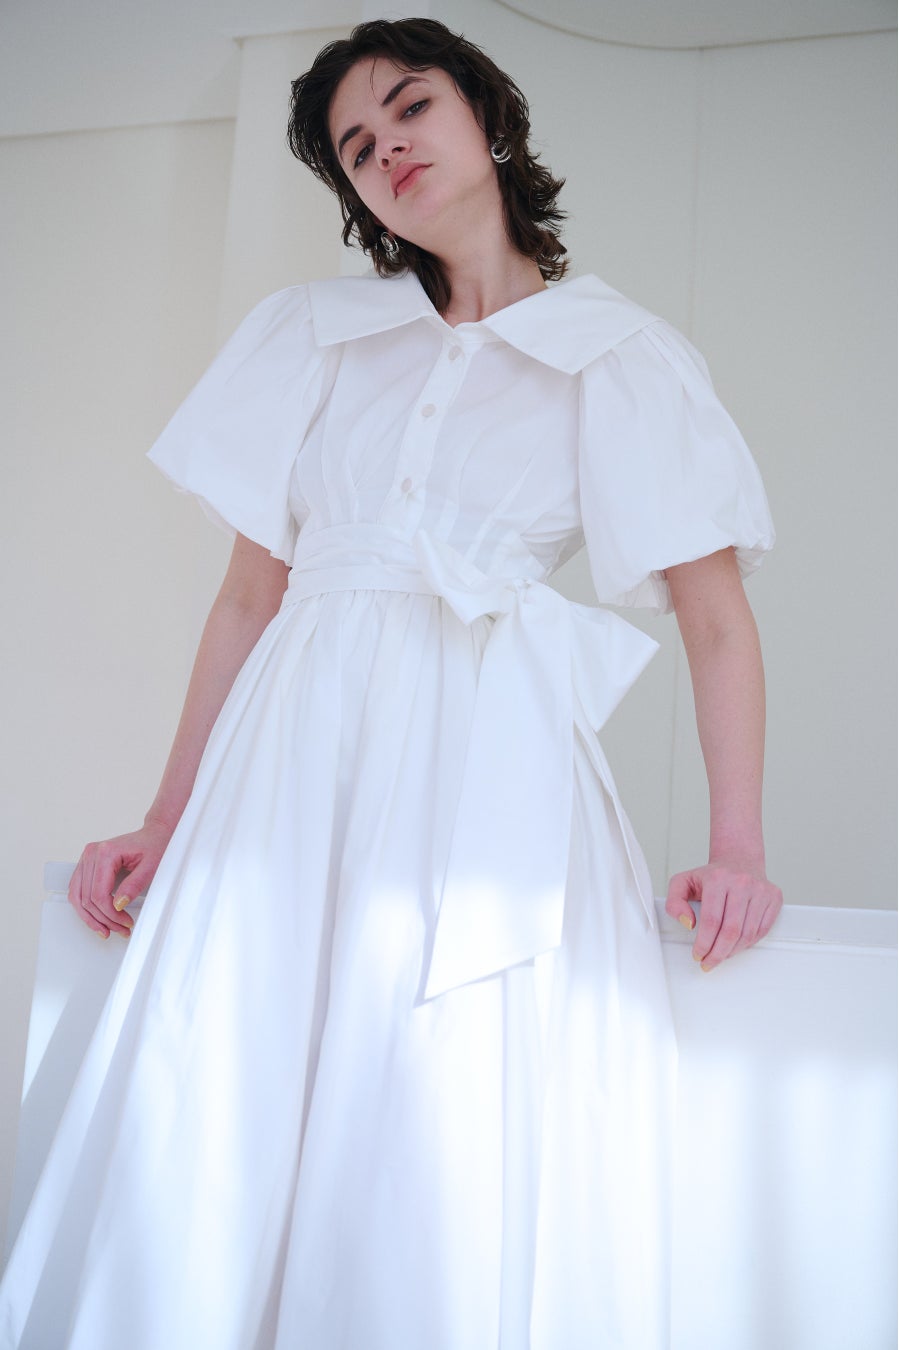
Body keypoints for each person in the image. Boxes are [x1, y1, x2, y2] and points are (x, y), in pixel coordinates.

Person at [0, 17, 782, 1350]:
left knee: (440, 1095)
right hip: (295, 758)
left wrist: (738, 845)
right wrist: (166, 816)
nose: (389, 149)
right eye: (356, 148)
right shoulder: (316, 337)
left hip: (489, 763)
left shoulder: (618, 354)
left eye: (411, 107)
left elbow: (716, 621)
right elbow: (247, 599)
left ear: (488, 115)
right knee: (244, 1071)